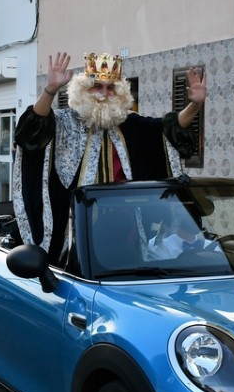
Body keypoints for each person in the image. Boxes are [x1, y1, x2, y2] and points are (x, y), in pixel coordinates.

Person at [13, 51, 205, 261]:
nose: (103, 93)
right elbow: (32, 130)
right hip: (78, 224)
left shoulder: (131, 124)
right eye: (97, 86)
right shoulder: (64, 122)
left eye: (110, 87)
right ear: (83, 90)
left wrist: (194, 105)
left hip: (126, 226)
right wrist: (50, 90)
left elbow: (169, 129)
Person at [145, 202, 220, 261]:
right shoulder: (157, 247)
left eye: (196, 215)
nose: (196, 219)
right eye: (186, 214)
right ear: (173, 217)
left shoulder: (213, 247)